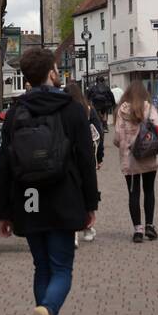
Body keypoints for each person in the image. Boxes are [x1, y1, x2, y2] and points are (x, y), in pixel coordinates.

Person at [0, 47, 98, 315]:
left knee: (42, 267)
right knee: (62, 268)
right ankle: (49, 313)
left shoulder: (14, 113)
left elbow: (4, 165)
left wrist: (4, 210)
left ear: (25, 75)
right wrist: (90, 203)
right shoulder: (70, 109)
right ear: (51, 71)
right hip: (64, 196)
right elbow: (85, 159)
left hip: (28, 199)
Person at [113, 81, 158, 242]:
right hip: (148, 156)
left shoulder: (121, 111)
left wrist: (125, 144)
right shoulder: (149, 108)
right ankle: (149, 225)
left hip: (130, 159)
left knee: (133, 193)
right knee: (149, 191)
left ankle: (138, 230)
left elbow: (116, 138)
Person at [66, 82, 104, 241]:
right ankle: (88, 228)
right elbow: (98, 133)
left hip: (68, 158)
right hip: (87, 155)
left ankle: (73, 232)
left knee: (71, 193)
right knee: (87, 190)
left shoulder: (64, 111)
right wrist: (99, 157)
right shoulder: (88, 109)